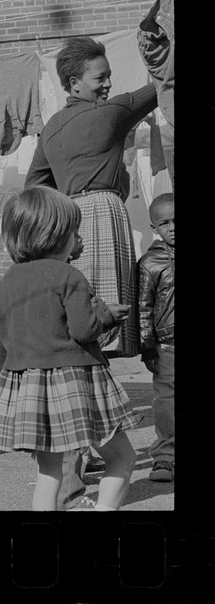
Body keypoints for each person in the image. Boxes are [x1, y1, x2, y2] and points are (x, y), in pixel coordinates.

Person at [25, 35, 158, 508]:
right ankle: (77, 466)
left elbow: (33, 190)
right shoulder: (112, 111)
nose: (107, 85)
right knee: (91, 336)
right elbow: (165, 83)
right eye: (100, 78)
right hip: (102, 217)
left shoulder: (51, 129)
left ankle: (74, 462)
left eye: (108, 78)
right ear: (73, 82)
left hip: (65, 227)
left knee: (76, 337)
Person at [0, 186, 140, 511]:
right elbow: (84, 330)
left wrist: (9, 391)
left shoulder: (7, 282)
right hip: (77, 387)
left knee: (49, 474)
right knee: (123, 458)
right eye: (74, 231)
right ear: (59, 236)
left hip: (28, 390)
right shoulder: (69, 275)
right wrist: (105, 315)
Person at [138, 193, 175, 483]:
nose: (172, 226)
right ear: (154, 228)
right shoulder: (150, 262)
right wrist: (147, 347)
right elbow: (143, 308)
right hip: (167, 347)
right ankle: (164, 458)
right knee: (166, 403)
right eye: (164, 223)